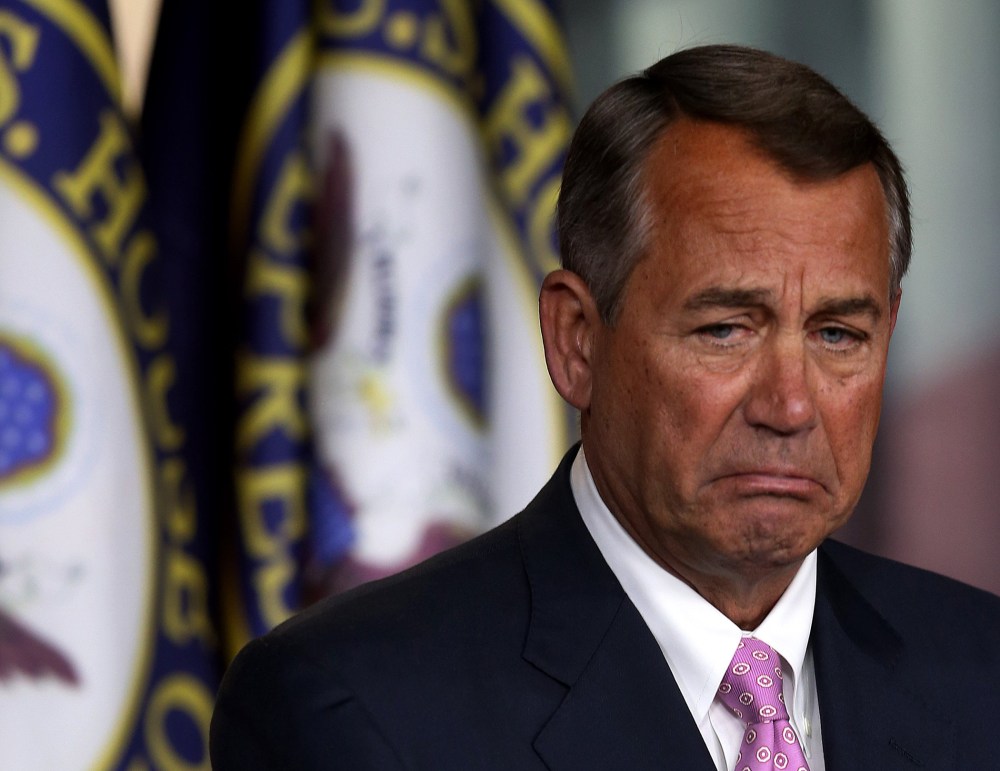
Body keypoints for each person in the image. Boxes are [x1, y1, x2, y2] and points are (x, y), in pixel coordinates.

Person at [210, 44, 1000, 770]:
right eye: (725, 328)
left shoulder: (983, 672)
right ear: (577, 341)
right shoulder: (352, 711)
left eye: (837, 334)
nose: (790, 405)